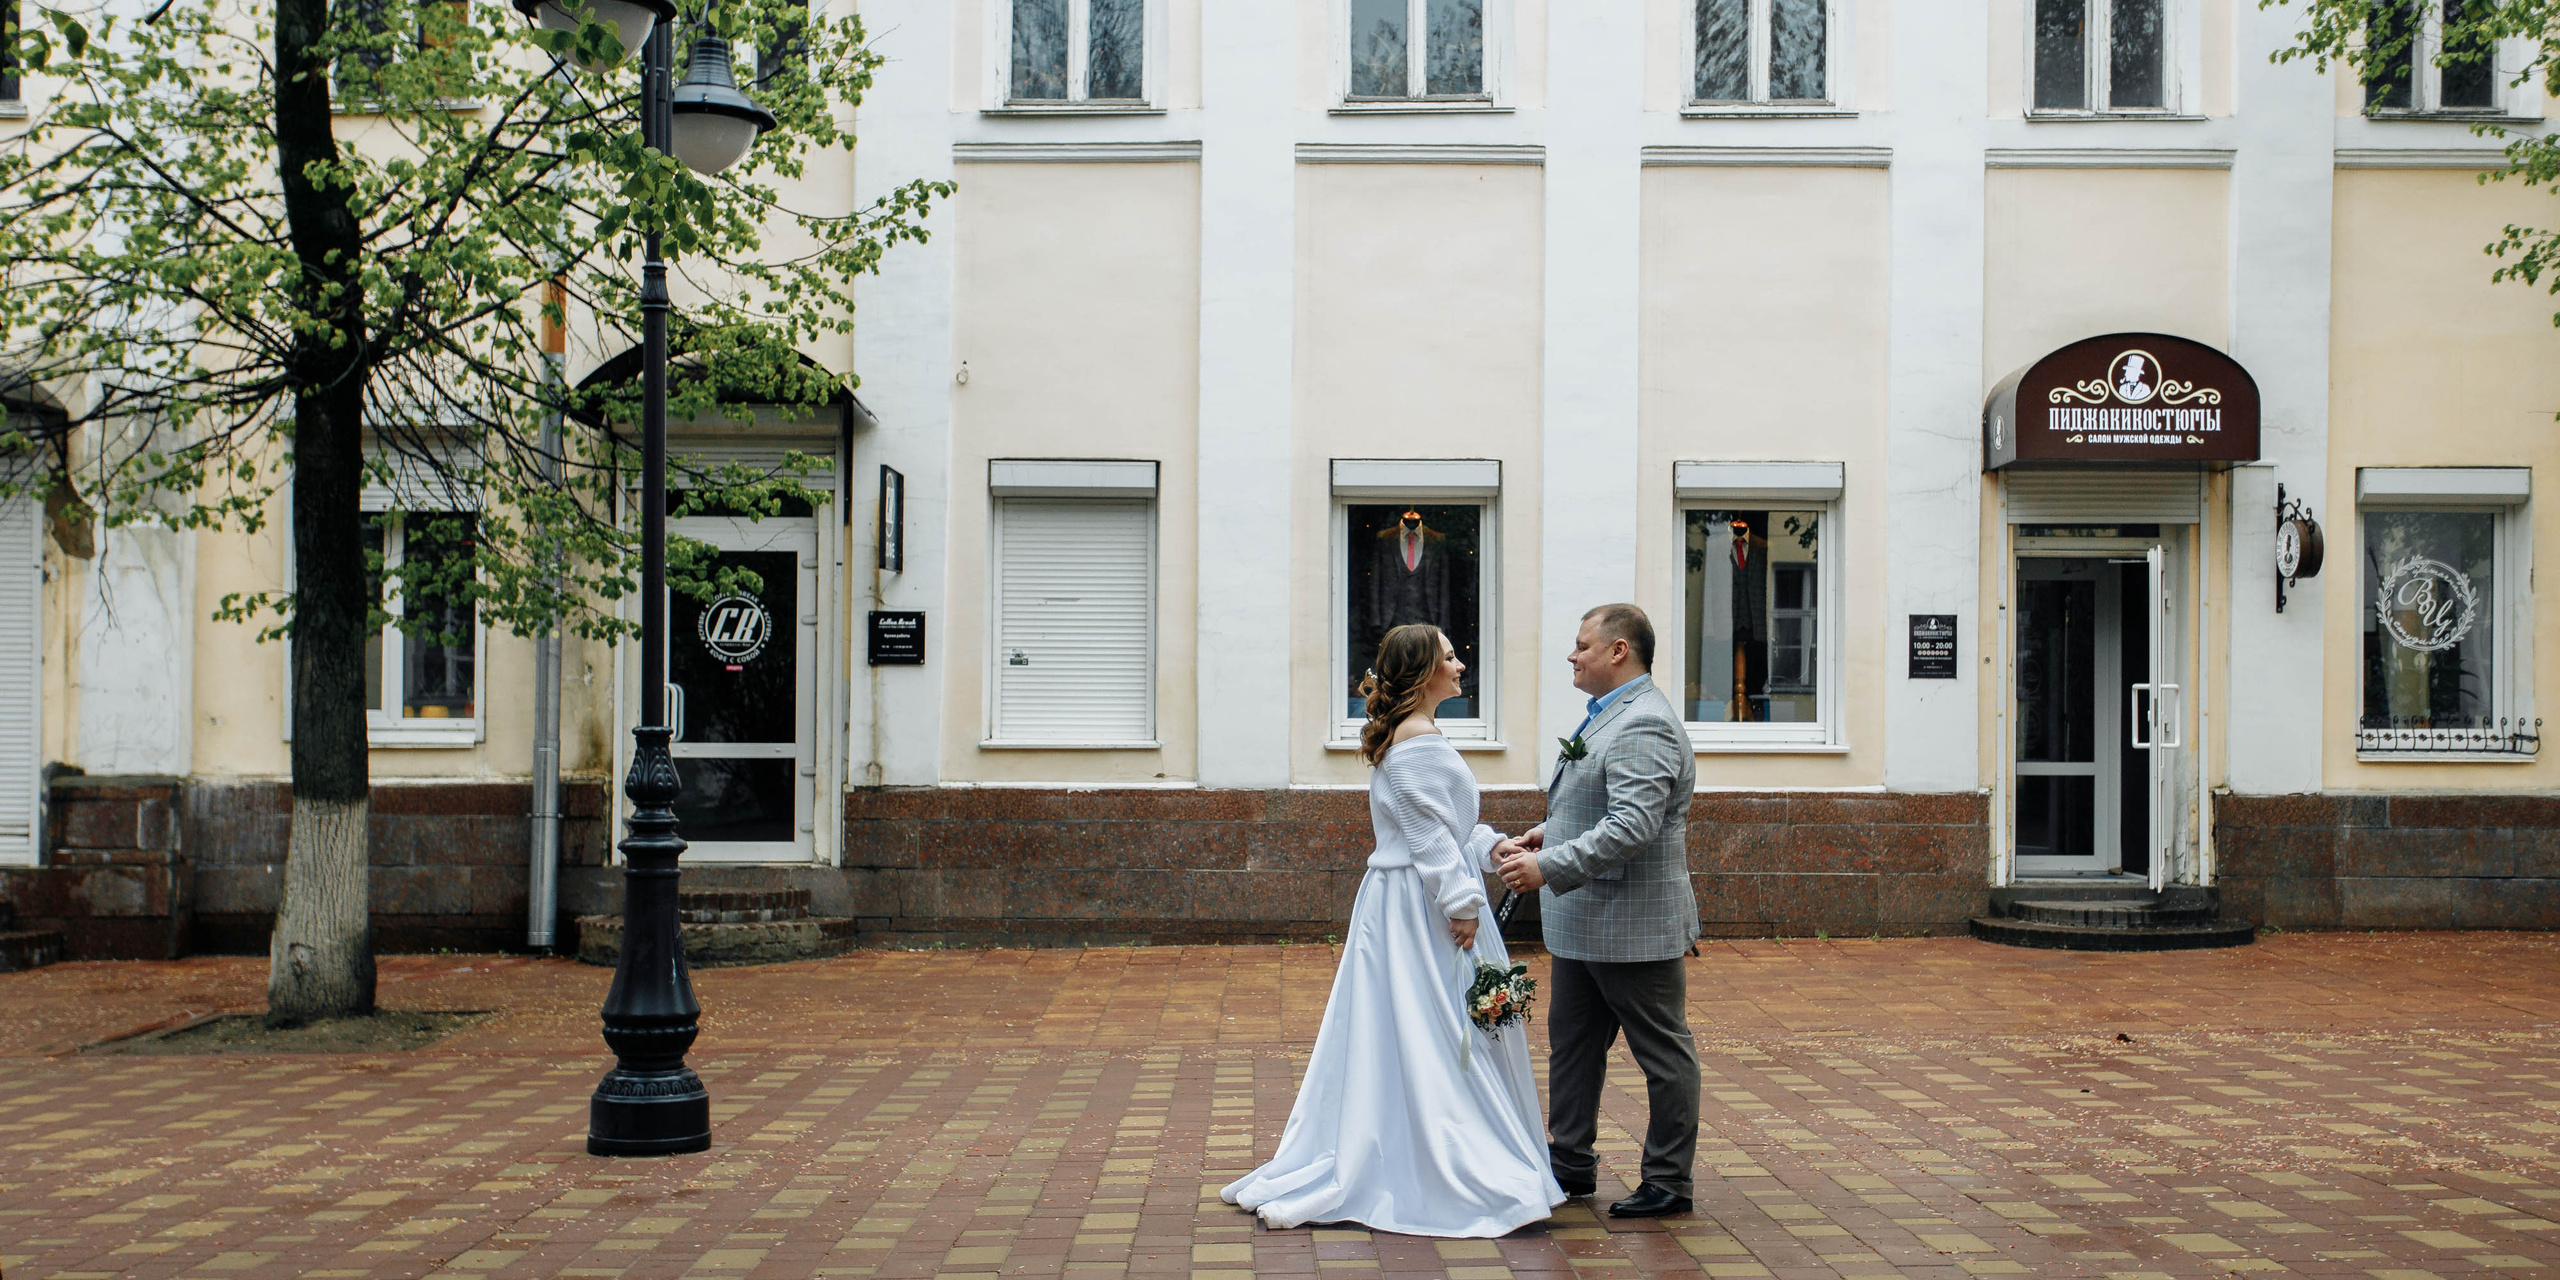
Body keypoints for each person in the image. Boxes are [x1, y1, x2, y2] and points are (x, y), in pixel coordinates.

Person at [1222, 623, 1564, 1238]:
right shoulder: (1417, 743)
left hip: (1409, 897)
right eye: (1450, 657)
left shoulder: (1414, 736)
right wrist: (1462, 902)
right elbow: (1430, 839)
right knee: (1434, 1025)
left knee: (1417, 1024)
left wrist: (1491, 849)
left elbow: (1445, 828)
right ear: (1425, 672)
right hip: (1420, 907)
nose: (1460, 665)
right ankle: (1445, 1161)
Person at [1494, 603, 1701, 1219]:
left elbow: (1633, 825)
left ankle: (1668, 1181)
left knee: (1662, 1053)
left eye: (1582, 645)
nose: (1572, 655)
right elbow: (1601, 803)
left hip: (1633, 925)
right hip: (1585, 920)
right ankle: (1570, 1165)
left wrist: (1549, 866)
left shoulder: (1645, 723)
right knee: (1574, 1046)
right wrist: (1549, 833)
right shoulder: (1611, 714)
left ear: (1619, 651)